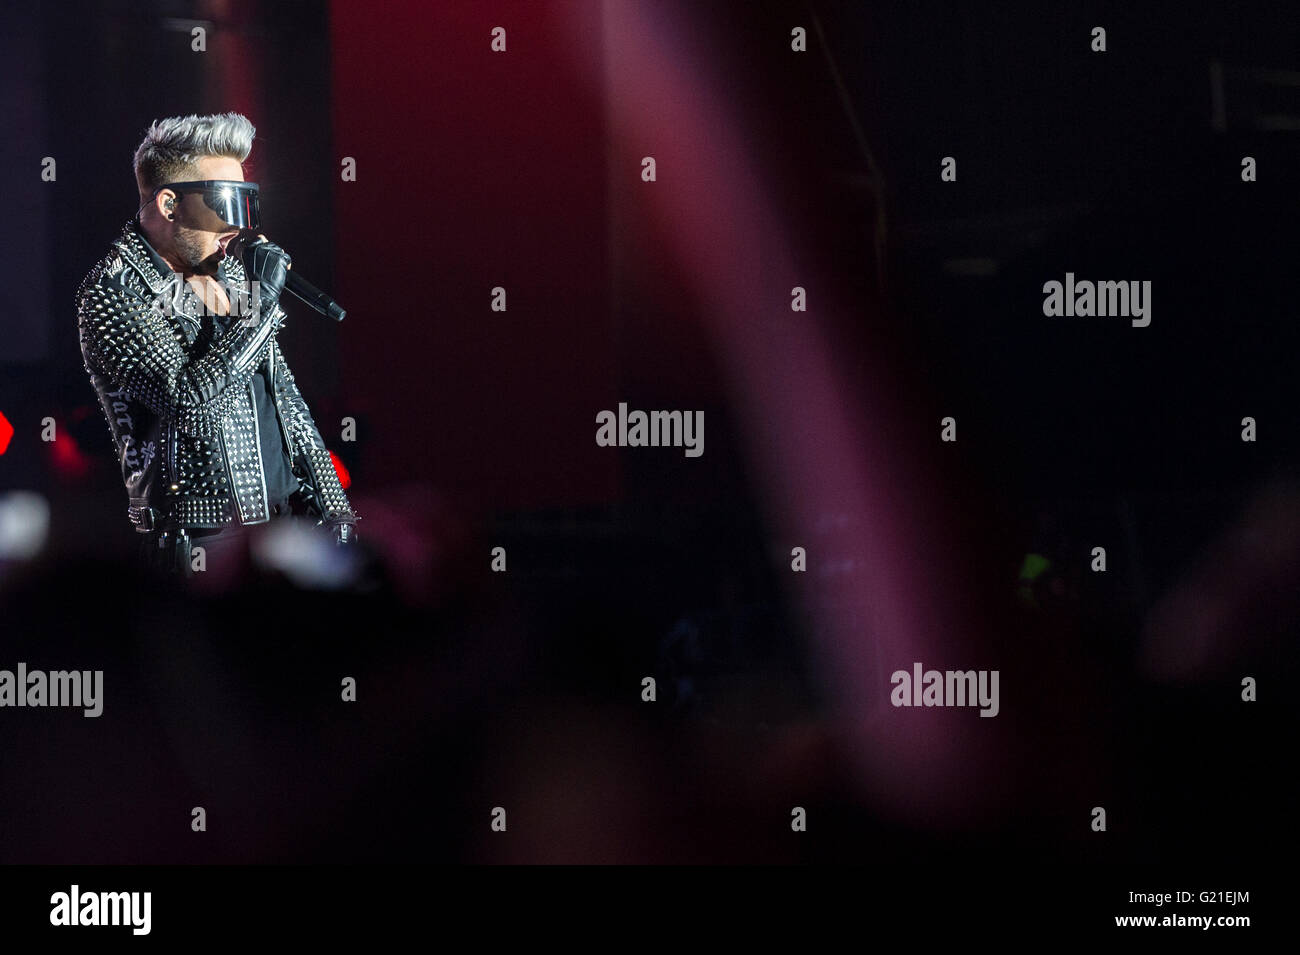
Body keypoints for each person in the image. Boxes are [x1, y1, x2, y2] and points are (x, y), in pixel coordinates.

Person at [75, 112, 358, 577]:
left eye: (245, 205)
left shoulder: (228, 275)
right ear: (169, 205)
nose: (237, 226)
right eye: (224, 204)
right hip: (204, 543)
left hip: (285, 524)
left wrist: (335, 509)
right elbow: (189, 404)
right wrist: (262, 309)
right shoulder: (114, 290)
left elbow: (282, 398)